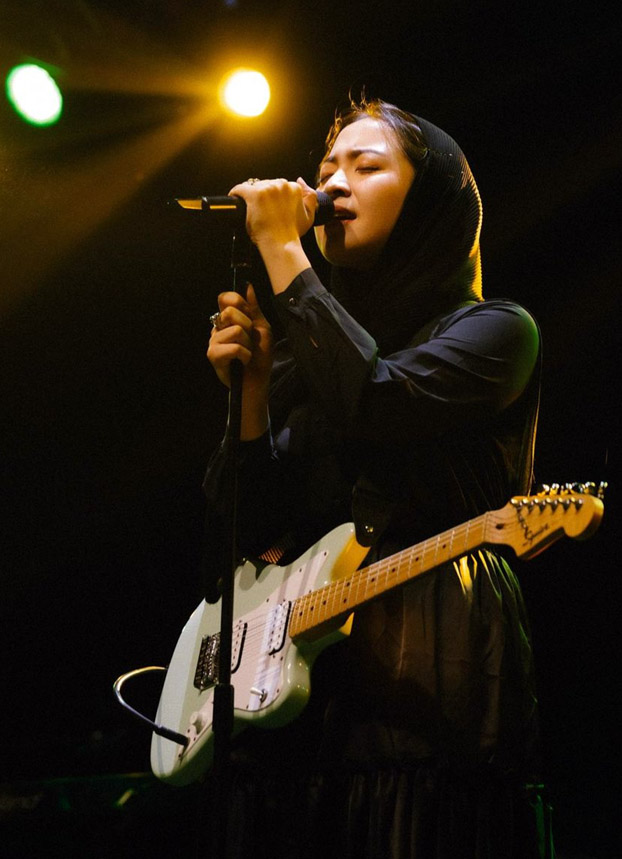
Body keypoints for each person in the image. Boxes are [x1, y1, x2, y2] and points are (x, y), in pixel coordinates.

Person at [203, 97, 550, 858]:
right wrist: (253, 395)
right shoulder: (308, 354)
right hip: (295, 695)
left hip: (427, 658)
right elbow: (247, 533)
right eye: (328, 167)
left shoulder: (497, 330)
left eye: (366, 166)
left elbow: (378, 402)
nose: (333, 184)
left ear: (429, 203)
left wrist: (283, 251)